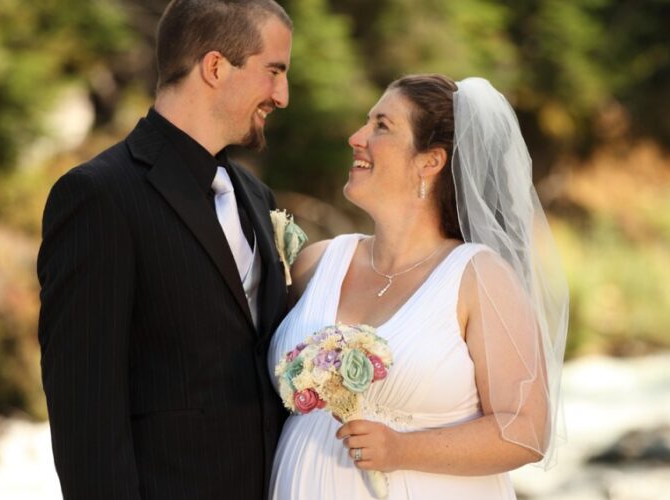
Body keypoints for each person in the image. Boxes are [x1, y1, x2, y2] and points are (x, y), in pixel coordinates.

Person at [268, 74, 569, 499]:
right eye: (366, 122)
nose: (357, 137)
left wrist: (402, 449)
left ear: (430, 161)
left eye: (381, 126)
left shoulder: (478, 277)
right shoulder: (317, 263)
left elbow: (526, 430)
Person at [37, 1, 293, 498]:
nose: (282, 95)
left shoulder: (257, 198)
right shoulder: (99, 196)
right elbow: (84, 413)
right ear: (216, 67)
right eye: (274, 71)